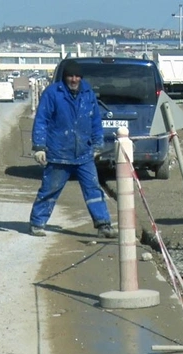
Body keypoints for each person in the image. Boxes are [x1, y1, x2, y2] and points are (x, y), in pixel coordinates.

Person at [28, 58, 116, 238]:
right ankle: (37, 222)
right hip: (58, 154)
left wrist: (97, 143)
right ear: (65, 77)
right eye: (70, 76)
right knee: (49, 190)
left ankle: (103, 225)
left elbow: (95, 121)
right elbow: (41, 121)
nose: (74, 79)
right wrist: (39, 147)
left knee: (93, 190)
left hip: (84, 154)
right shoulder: (53, 93)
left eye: (77, 76)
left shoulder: (88, 93)